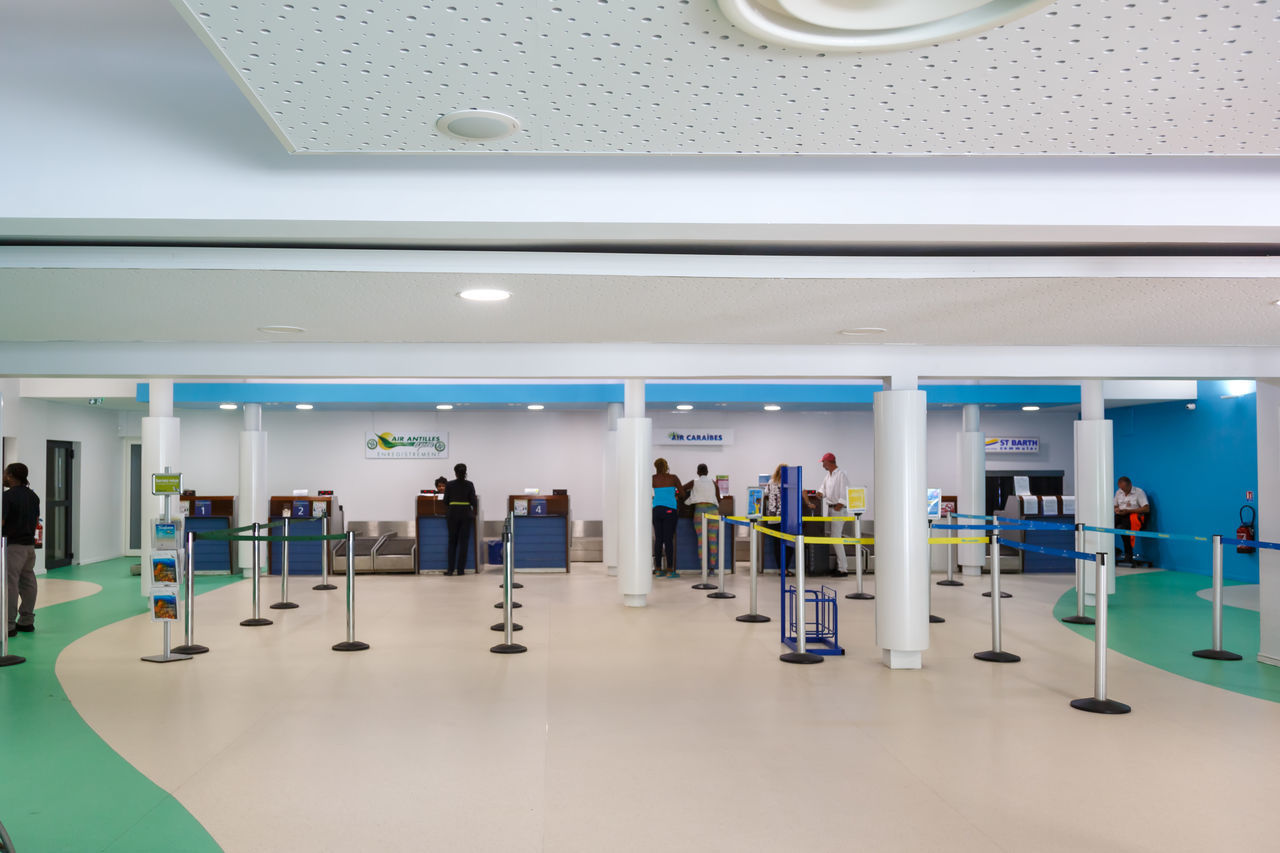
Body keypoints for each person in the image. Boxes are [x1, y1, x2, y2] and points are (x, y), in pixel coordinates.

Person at [3, 463, 40, 638]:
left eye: (4, 473)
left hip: (13, 547)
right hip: (29, 546)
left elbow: (2, 522)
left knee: (10, 584)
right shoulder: (33, 496)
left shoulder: (7, 496)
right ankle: (26, 621)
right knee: (28, 582)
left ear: (10, 476)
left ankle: (8, 625)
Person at [807, 452, 850, 577]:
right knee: (833, 538)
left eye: (823, 462)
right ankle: (840, 567)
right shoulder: (828, 476)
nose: (822, 465)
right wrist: (819, 494)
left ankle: (843, 569)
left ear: (829, 462)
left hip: (838, 510)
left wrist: (838, 506)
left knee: (836, 538)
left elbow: (845, 493)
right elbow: (823, 490)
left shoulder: (841, 475)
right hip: (831, 509)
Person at [683, 463, 721, 573]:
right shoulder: (714, 483)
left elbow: (681, 489)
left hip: (699, 511)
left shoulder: (694, 482)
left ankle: (703, 568)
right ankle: (712, 569)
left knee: (701, 541)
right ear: (707, 472)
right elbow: (719, 499)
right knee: (713, 540)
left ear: (698, 472)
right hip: (713, 512)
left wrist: (690, 497)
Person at [443, 463, 477, 576]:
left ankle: (450, 570)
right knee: (464, 543)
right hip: (466, 515)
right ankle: (461, 570)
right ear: (465, 472)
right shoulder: (469, 484)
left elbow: (445, 501)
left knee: (452, 542)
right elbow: (474, 501)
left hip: (452, 515)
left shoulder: (449, 484)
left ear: (455, 473)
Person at [652, 458, 684, 578]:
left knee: (658, 540)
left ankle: (658, 569)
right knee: (668, 539)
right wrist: (673, 494)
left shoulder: (653, 478)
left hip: (656, 510)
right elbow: (682, 494)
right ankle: (670, 570)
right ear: (666, 466)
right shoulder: (673, 478)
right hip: (670, 510)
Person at [1113, 476, 1150, 563]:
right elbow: (1115, 505)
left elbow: (1146, 508)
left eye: (1125, 488)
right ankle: (1113, 550)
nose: (1123, 491)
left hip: (1134, 516)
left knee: (1123, 528)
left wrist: (1128, 511)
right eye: (1121, 488)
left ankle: (1128, 553)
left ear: (1130, 484)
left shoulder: (1139, 492)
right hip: (1121, 515)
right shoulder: (1119, 492)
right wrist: (1117, 509)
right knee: (1108, 526)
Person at [763, 464, 789, 575]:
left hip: (773, 518)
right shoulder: (788, 483)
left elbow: (764, 494)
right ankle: (786, 568)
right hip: (786, 518)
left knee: (777, 545)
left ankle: (781, 569)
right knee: (788, 544)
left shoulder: (771, 482)